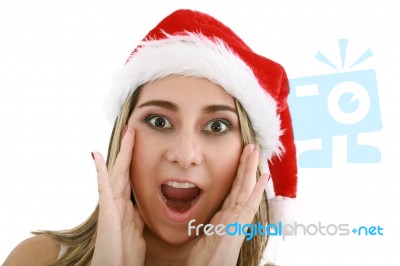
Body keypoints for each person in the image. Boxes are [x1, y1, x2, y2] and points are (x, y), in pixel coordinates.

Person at [4, 9, 298, 266]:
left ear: (248, 152)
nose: (184, 154)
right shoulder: (37, 260)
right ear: (123, 136)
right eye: (159, 121)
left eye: (217, 127)